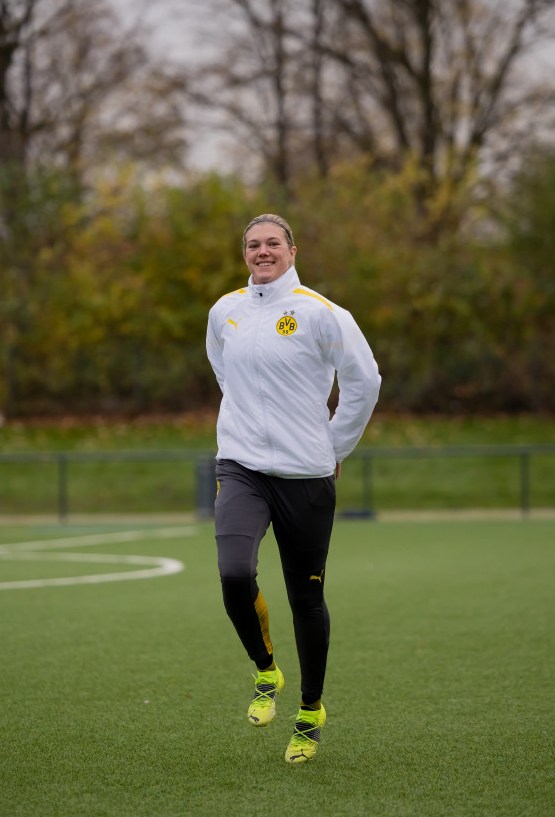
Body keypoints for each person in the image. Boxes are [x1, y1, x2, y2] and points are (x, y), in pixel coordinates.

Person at [206, 214, 381, 764]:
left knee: (305, 598)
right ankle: (266, 671)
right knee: (234, 574)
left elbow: (365, 382)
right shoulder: (224, 311)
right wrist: (245, 424)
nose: (263, 252)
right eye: (253, 245)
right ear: (244, 254)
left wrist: (334, 447)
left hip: (306, 474)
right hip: (241, 466)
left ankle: (310, 711)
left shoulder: (322, 313)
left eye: (272, 243)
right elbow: (226, 374)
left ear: (292, 250)